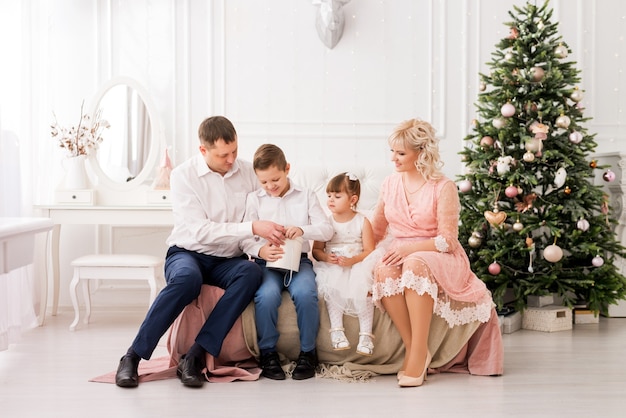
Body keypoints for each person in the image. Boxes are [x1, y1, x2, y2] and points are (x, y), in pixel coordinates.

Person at [114, 116, 286, 388]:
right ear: (203, 151)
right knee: (187, 280)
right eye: (223, 155)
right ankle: (132, 357)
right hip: (187, 253)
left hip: (229, 259)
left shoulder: (248, 174)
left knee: (251, 272)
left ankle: (195, 355)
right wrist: (251, 227)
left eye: (235, 152)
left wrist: (260, 247)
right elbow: (200, 231)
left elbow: (250, 236)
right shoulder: (183, 176)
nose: (231, 160)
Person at [370, 118, 503, 388]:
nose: (394, 158)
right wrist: (352, 251)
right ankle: (415, 349)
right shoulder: (389, 184)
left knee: (415, 264)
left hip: (436, 252)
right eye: (392, 152)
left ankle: (418, 352)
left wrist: (410, 249)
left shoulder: (443, 187)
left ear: (421, 153)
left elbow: (448, 240)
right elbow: (375, 230)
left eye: (401, 153)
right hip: (401, 248)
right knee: (384, 269)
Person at [241, 144, 333, 380]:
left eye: (275, 179)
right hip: (267, 264)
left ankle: (308, 353)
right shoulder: (254, 199)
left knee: (305, 294)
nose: (270, 186)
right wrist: (261, 250)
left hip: (299, 262)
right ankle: (268, 354)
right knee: (266, 296)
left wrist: (302, 230)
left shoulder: (306, 195)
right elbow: (244, 240)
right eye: (264, 182)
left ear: (287, 169)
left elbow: (326, 230)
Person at [312, 172, 384, 356]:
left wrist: (352, 261)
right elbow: (317, 251)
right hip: (334, 265)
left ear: (352, 199)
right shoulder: (327, 223)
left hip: (357, 263)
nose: (331, 200)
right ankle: (337, 332)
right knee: (332, 286)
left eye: (337, 196)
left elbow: (369, 250)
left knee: (363, 289)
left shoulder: (362, 221)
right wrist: (327, 258)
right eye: (329, 195)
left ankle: (366, 335)